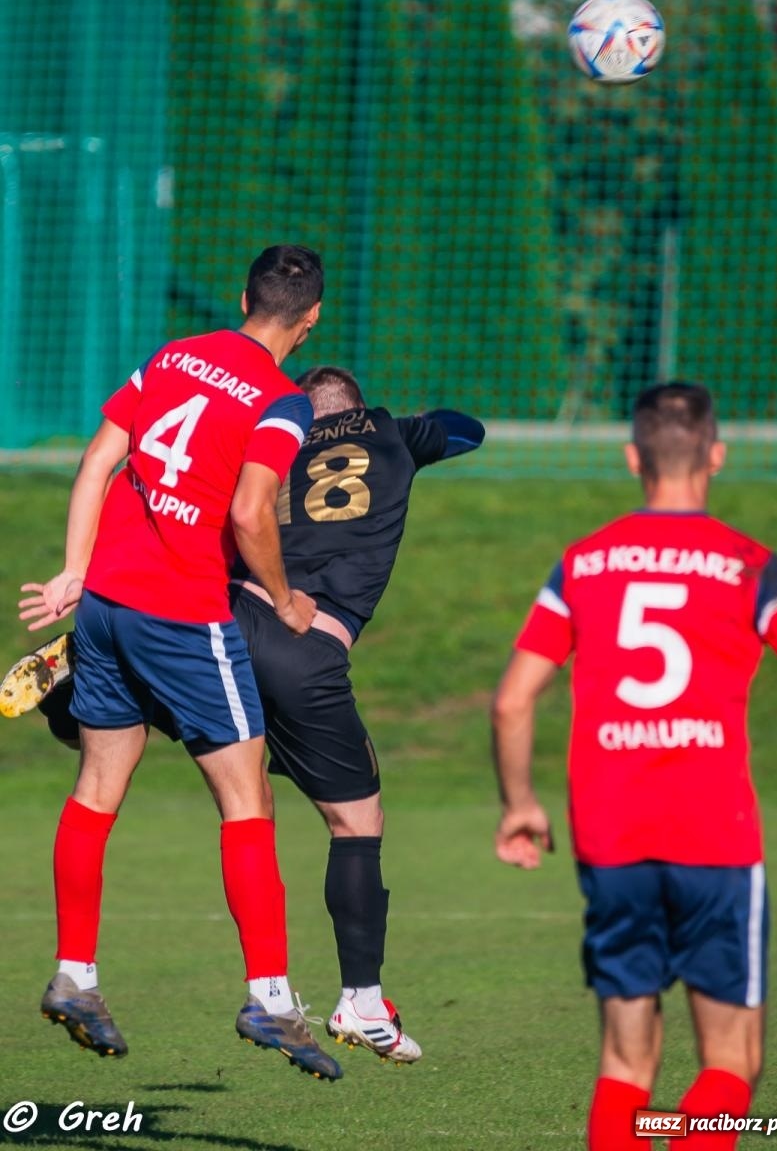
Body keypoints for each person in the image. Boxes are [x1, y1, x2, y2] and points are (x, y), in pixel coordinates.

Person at [6, 365, 485, 1064]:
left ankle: (86, 691)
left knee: (189, 733)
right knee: (354, 821)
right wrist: (403, 427)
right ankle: (361, 1001)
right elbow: (469, 428)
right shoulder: (394, 433)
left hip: (224, 618)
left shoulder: (269, 442)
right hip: (304, 649)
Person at [16, 244, 343, 1082]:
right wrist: (284, 596)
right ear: (309, 323)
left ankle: (76, 976)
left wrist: (73, 571)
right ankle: (271, 1000)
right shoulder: (281, 401)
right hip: (185, 620)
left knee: (95, 791)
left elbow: (98, 460)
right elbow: (249, 511)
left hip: (106, 612)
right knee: (247, 799)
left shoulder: (173, 355)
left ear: (242, 296)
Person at [490, 382, 777, 1151]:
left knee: (626, 1063)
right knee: (733, 1061)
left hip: (612, 836)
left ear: (633, 456)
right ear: (717, 456)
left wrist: (521, 803)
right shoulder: (752, 565)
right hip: (716, 840)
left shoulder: (583, 564)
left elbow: (510, 702)